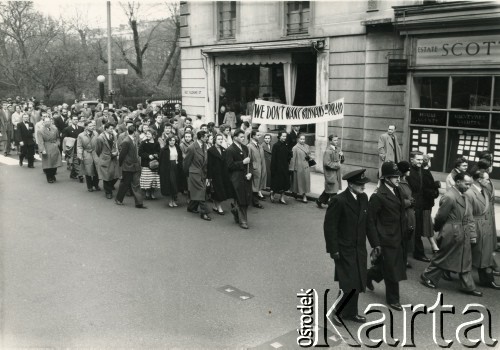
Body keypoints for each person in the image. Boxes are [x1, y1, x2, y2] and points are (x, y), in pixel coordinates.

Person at [324, 168, 378, 325]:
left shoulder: (363, 198)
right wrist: (333, 250)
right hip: (343, 250)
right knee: (348, 283)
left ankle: (351, 312)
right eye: (360, 184)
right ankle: (335, 312)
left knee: (358, 281)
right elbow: (330, 227)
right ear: (351, 184)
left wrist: (376, 244)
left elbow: (368, 223)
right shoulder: (339, 201)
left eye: (364, 184)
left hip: (359, 248)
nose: (363, 187)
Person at [420, 173, 482, 297]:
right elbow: (440, 217)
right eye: (466, 184)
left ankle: (468, 285)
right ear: (457, 182)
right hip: (452, 231)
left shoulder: (463, 195)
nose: (469, 187)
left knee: (465, 258)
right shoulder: (450, 197)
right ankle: (427, 276)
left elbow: (469, 216)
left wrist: (472, 234)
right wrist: (438, 230)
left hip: (462, 230)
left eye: (470, 184)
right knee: (444, 257)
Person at [366, 161, 407, 311]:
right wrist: (375, 243)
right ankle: (393, 299)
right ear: (386, 178)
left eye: (398, 176)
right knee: (392, 268)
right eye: (395, 177)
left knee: (386, 266)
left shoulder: (397, 190)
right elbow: (370, 221)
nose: (398, 179)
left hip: (399, 235)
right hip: (386, 238)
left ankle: (367, 276)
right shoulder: (378, 196)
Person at [464, 167, 500, 289]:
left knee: (484, 256)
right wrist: (473, 234)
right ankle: (444, 271)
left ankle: (487, 279)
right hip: (478, 227)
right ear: (479, 180)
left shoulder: (484, 191)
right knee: (471, 256)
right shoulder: (469, 193)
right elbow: (468, 215)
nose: (488, 182)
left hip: (486, 227)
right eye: (487, 179)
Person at [225, 129, 253, 229]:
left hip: (246, 176)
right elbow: (229, 165)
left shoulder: (245, 148)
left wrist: (250, 173)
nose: (243, 138)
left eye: (244, 137)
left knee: (246, 197)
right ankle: (243, 221)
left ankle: (235, 210)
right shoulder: (230, 150)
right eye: (241, 137)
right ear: (235, 137)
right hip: (236, 177)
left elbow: (250, 162)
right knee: (241, 199)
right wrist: (242, 163)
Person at [477, 159, 500, 277]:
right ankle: (490, 266)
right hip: (485, 214)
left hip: (489, 213)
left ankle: (490, 264)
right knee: (484, 243)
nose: (492, 167)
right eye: (491, 165)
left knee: (487, 242)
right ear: (487, 167)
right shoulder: (482, 179)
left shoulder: (487, 178)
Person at [115, 125, 147, 209]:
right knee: (125, 184)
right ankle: (119, 199)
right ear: (134, 132)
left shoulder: (134, 140)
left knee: (136, 184)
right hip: (128, 166)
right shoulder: (126, 141)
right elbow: (122, 155)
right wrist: (121, 165)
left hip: (135, 166)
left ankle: (139, 203)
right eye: (136, 132)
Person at [407, 151, 431, 263]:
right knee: (409, 230)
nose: (420, 162)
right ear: (412, 159)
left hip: (420, 204)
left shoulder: (421, 170)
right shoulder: (408, 172)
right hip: (411, 204)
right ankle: (408, 254)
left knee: (417, 230)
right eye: (418, 159)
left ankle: (418, 252)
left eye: (422, 160)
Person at [184, 131, 211, 221]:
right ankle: (204, 213)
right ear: (201, 137)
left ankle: (191, 207)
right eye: (206, 137)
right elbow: (186, 162)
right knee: (201, 191)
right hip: (194, 173)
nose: (207, 138)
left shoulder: (205, 146)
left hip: (202, 172)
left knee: (198, 191)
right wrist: (187, 173)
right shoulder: (191, 148)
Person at [397, 161, 416, 268]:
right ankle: (401, 260)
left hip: (409, 213)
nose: (409, 171)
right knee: (403, 236)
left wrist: (411, 200)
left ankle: (404, 258)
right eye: (408, 169)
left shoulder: (405, 181)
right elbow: (397, 201)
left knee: (408, 236)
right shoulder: (399, 183)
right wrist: (410, 202)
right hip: (404, 213)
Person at [207, 134, 232, 215]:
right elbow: (209, 165)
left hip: (223, 174)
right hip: (215, 174)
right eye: (219, 139)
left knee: (220, 190)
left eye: (221, 139)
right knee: (218, 191)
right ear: (215, 140)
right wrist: (209, 177)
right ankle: (219, 207)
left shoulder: (224, 149)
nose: (220, 140)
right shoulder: (210, 150)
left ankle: (215, 206)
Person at [317, 134, 344, 208]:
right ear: (330, 141)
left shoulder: (338, 149)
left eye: (337, 140)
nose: (336, 142)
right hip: (330, 173)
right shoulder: (328, 151)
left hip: (336, 173)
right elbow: (327, 163)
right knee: (333, 190)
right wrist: (337, 165)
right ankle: (333, 206)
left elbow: (341, 161)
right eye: (335, 140)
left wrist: (342, 156)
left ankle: (320, 200)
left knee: (330, 189)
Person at [95, 123, 120, 199]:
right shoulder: (100, 138)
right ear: (106, 129)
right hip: (105, 158)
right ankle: (108, 192)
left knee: (115, 175)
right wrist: (103, 156)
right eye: (111, 129)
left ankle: (110, 186)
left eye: (113, 129)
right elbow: (98, 150)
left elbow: (116, 145)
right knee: (106, 176)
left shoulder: (114, 136)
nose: (112, 130)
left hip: (113, 158)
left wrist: (116, 153)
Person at [422, 155, 441, 253]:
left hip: (427, 203)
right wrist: (435, 188)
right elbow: (427, 188)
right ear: (427, 162)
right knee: (427, 224)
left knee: (427, 223)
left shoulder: (425, 172)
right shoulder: (425, 173)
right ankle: (433, 245)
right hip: (426, 203)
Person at [159, 135, 184, 208]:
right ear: (167, 141)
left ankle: (174, 200)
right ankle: (170, 200)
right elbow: (161, 160)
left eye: (173, 140)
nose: (172, 142)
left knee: (176, 183)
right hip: (168, 168)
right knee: (171, 183)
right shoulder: (164, 149)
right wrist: (160, 171)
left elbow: (180, 158)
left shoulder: (178, 148)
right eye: (170, 140)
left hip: (176, 167)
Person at [37, 116, 62, 183]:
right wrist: (42, 150)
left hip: (54, 147)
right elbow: (40, 141)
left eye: (49, 121)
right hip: (46, 146)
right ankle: (49, 177)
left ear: (51, 122)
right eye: (46, 121)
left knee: (55, 163)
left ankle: (53, 174)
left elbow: (58, 138)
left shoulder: (55, 129)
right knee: (48, 164)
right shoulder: (40, 131)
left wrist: (57, 143)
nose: (47, 122)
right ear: (43, 122)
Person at [77, 120, 101, 192]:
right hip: (86, 153)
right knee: (88, 171)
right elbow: (79, 146)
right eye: (90, 126)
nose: (92, 127)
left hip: (95, 153)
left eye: (93, 126)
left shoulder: (96, 133)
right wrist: (80, 155)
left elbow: (99, 144)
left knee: (97, 170)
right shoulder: (81, 135)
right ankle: (89, 186)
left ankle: (96, 184)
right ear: (86, 127)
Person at [138, 130, 161, 200]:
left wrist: (156, 154)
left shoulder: (157, 143)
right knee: (147, 179)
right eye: (147, 134)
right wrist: (148, 156)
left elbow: (159, 152)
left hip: (155, 164)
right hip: (146, 164)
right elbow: (140, 153)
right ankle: (147, 192)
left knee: (154, 179)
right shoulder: (143, 143)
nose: (147, 135)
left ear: (153, 135)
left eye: (149, 134)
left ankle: (153, 193)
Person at [289, 134, 312, 203]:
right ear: (298, 139)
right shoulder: (295, 148)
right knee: (300, 182)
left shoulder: (307, 146)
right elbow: (293, 159)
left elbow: (309, 154)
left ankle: (300, 193)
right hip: (299, 167)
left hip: (306, 166)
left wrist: (309, 157)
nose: (302, 140)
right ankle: (303, 195)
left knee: (305, 182)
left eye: (304, 139)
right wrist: (292, 169)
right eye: (301, 139)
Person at [62, 115, 84, 182]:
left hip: (80, 147)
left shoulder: (81, 128)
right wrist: (72, 140)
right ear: (71, 120)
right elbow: (64, 139)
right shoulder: (67, 129)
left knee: (79, 160)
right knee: (75, 160)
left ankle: (73, 174)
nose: (76, 120)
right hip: (72, 147)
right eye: (74, 119)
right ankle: (80, 175)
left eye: (77, 119)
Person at [270, 131, 290, 204]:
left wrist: (290, 155)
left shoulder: (286, 145)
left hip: (285, 167)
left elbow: (288, 156)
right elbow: (273, 158)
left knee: (285, 183)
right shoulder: (276, 145)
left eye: (285, 136)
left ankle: (282, 198)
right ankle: (272, 193)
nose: (284, 138)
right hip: (277, 167)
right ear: (279, 136)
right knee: (277, 183)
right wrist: (273, 169)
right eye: (283, 136)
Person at [248, 130, 267, 207]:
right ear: (253, 136)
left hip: (261, 168)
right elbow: (249, 159)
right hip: (255, 169)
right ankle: (255, 202)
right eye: (258, 135)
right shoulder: (249, 146)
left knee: (257, 184)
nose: (260, 137)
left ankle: (253, 200)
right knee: (254, 185)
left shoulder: (260, 146)